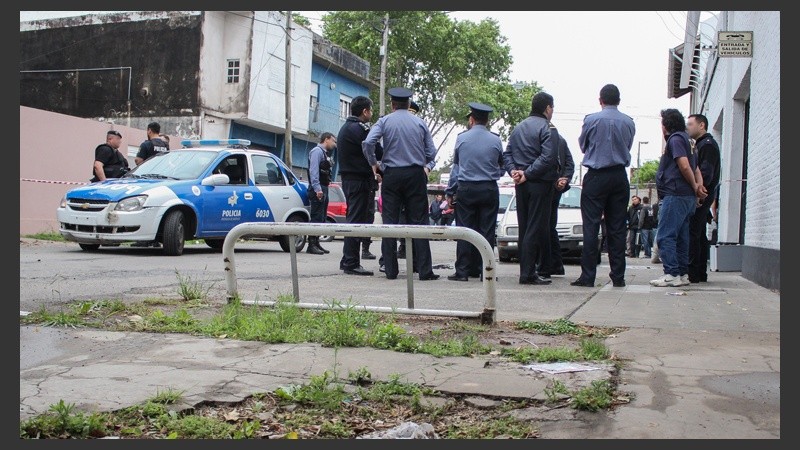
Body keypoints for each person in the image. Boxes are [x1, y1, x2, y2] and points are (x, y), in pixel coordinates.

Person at [362, 87, 439, 281]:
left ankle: (390, 270)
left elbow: (369, 142)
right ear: (408, 103)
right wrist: (422, 162)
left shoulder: (385, 121)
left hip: (392, 175)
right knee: (420, 222)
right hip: (415, 174)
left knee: (389, 222)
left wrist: (374, 164)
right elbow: (432, 151)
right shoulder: (419, 123)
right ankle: (424, 270)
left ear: (392, 104)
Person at [571, 84, 635, 288]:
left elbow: (583, 146)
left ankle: (588, 276)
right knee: (617, 228)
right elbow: (628, 145)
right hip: (619, 175)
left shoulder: (591, 120)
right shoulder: (629, 122)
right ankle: (618, 277)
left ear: (601, 100)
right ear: (619, 100)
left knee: (591, 226)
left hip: (596, 175)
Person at [502, 91, 559, 285]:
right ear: (547, 108)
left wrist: (514, 172)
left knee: (524, 227)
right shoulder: (547, 128)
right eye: (552, 108)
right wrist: (527, 174)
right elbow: (548, 158)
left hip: (521, 184)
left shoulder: (518, 128)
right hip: (539, 183)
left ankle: (525, 271)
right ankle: (528, 273)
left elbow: (507, 154)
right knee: (535, 227)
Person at [445, 102, 504, 282]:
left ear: (472, 119)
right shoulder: (496, 139)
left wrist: (450, 192)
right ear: (487, 121)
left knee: (464, 230)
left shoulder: (462, 138)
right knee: (486, 230)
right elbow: (501, 168)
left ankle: (462, 271)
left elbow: (456, 169)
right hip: (488, 188)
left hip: (467, 189)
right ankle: (485, 272)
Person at [650, 108, 706, 287]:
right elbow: (695, 168)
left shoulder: (675, 140)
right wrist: (698, 188)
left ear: (665, 125)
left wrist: (695, 186)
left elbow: (684, 166)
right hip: (687, 197)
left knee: (665, 235)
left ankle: (671, 273)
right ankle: (682, 274)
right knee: (682, 237)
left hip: (675, 194)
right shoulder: (690, 141)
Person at [336, 95, 381, 274]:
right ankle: (351, 263)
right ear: (365, 111)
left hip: (351, 180)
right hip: (358, 181)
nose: (371, 113)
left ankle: (347, 258)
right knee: (356, 220)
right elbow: (377, 150)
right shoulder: (360, 129)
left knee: (353, 218)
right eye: (370, 110)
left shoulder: (346, 128)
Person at [686, 113, 721, 283]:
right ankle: (698, 273)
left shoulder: (706, 146)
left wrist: (699, 192)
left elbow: (706, 173)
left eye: (691, 124)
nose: (688, 127)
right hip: (704, 193)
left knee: (693, 232)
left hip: (703, 194)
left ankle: (694, 273)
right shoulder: (701, 145)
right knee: (698, 233)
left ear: (702, 125)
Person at [537, 130, 575, 278]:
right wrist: (564, 178)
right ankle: (555, 264)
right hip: (555, 187)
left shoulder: (543, 137)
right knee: (549, 226)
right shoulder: (560, 139)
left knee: (542, 226)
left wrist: (563, 178)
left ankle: (546, 265)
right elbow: (570, 163)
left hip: (545, 186)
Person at [306, 132, 337, 255]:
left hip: (324, 186)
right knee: (316, 217)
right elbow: (314, 171)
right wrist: (317, 189)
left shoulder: (324, 153)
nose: (334, 144)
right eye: (333, 141)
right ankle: (311, 244)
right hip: (318, 189)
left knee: (322, 217)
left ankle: (317, 242)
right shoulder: (316, 152)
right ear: (326, 139)